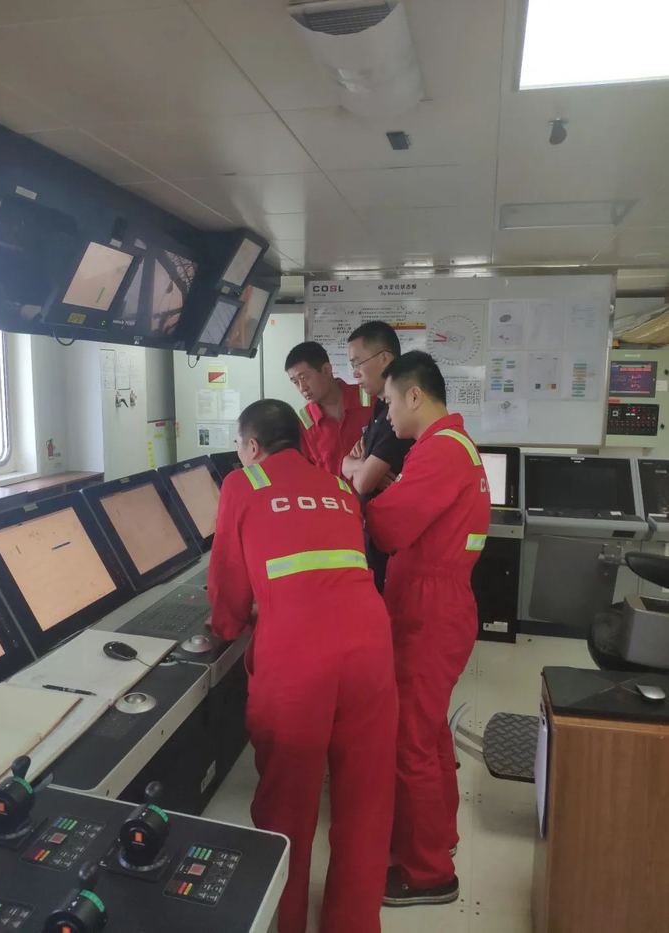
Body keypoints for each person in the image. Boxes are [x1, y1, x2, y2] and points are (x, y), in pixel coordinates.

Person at [208, 398, 398, 933]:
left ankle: (286, 923)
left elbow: (228, 585)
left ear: (251, 446)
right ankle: (352, 923)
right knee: (364, 799)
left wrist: (226, 628)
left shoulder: (242, 484)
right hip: (370, 648)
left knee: (287, 805)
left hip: (297, 657)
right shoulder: (340, 487)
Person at [365, 351, 490, 908]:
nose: (387, 414)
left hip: (428, 610)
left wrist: (369, 497)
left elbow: (389, 528)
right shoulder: (450, 445)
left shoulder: (439, 450)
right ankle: (438, 838)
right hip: (438, 604)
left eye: (389, 401)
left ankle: (429, 873)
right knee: (431, 733)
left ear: (414, 395)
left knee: (409, 741)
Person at [341, 321, 414, 592]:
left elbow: (362, 482)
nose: (354, 373)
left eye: (358, 363)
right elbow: (346, 463)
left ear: (384, 359)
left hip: (392, 543)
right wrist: (358, 465)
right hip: (373, 534)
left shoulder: (398, 418)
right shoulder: (380, 409)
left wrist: (359, 469)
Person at [285, 341, 373, 478]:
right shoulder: (303, 423)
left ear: (326, 370)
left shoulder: (371, 399)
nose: (302, 388)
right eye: (296, 382)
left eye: (304, 378)